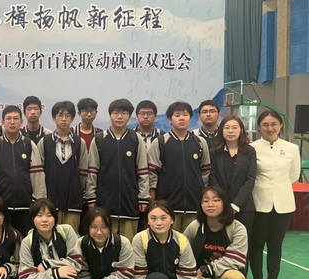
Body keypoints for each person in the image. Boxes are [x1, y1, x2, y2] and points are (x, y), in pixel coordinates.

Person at [250, 109, 300, 279]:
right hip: (259, 202)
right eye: (265, 125)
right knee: (256, 244)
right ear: (259, 127)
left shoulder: (292, 148)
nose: (270, 128)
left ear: (280, 126)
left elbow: (293, 175)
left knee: (275, 245)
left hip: (283, 203)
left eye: (273, 124)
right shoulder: (252, 148)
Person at [183, 187, 248, 279]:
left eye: (216, 200)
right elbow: (182, 251)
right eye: (205, 201)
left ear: (225, 203)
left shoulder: (237, 228)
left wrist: (205, 269)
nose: (210, 204)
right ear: (201, 205)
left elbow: (236, 260)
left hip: (225, 274)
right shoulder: (195, 227)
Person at [87, 99, 150, 241]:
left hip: (130, 202)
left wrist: (143, 197)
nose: (119, 117)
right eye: (116, 113)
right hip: (105, 202)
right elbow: (92, 172)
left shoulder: (135, 139)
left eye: (124, 113)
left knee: (129, 244)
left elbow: (142, 171)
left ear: (130, 116)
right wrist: (91, 196)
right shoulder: (100, 139)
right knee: (104, 243)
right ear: (110, 115)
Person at [18, 198, 84, 279]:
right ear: (33, 219)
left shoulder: (66, 232)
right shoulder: (27, 242)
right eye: (39, 215)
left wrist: (48, 264)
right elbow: (25, 277)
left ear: (55, 218)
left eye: (49, 215)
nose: (44, 219)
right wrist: (54, 274)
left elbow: (76, 262)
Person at [132, 200, 198, 279]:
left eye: (163, 218)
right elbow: (138, 277)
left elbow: (189, 276)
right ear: (148, 221)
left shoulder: (181, 240)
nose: (158, 223)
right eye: (153, 218)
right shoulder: (140, 239)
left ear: (172, 220)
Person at [147, 101, 211, 232]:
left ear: (190, 118)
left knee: (191, 242)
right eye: (177, 115)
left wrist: (199, 190)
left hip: (194, 206)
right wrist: (153, 202)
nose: (181, 118)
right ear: (170, 119)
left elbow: (206, 171)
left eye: (185, 115)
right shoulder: (160, 142)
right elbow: (152, 174)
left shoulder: (199, 142)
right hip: (167, 208)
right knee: (169, 241)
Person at [0, 105, 46, 236]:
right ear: (2, 122)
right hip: (1, 209)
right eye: (9, 119)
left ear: (21, 122)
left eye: (16, 119)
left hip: (26, 207)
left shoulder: (29, 145)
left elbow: (38, 176)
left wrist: (38, 202)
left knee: (25, 241)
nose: (12, 122)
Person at [38, 101, 92, 232]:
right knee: (50, 237)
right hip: (49, 204)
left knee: (70, 238)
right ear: (53, 118)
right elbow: (39, 173)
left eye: (67, 116)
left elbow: (84, 173)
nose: (63, 119)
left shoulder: (79, 143)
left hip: (73, 203)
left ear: (72, 119)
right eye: (60, 115)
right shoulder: (45, 142)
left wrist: (77, 191)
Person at [79, 207, 135, 279]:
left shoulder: (122, 243)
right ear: (87, 227)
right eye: (94, 227)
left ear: (110, 227)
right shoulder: (81, 244)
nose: (99, 232)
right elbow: (81, 275)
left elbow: (126, 274)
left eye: (104, 227)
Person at [209, 116, 256, 239]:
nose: (230, 131)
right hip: (220, 207)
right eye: (227, 128)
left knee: (243, 242)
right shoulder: (214, 152)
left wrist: (235, 205)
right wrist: (223, 202)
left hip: (244, 207)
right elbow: (212, 177)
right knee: (221, 242)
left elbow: (250, 179)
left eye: (234, 128)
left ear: (241, 130)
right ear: (221, 130)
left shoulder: (250, 151)